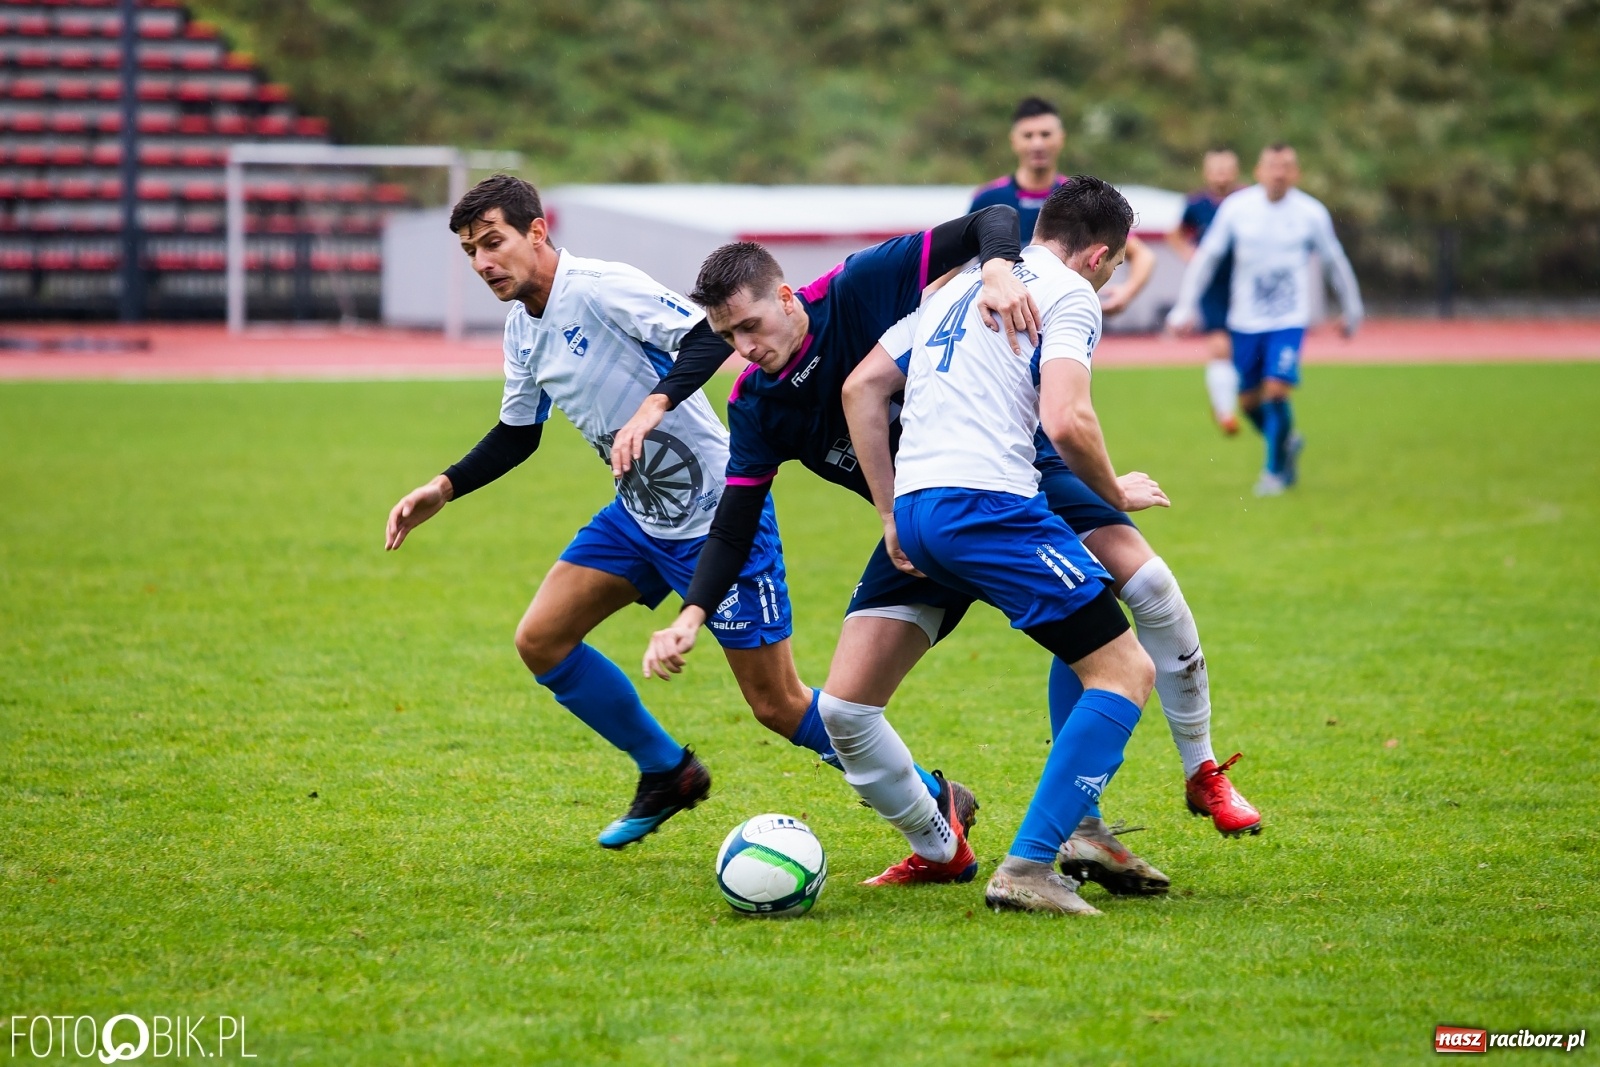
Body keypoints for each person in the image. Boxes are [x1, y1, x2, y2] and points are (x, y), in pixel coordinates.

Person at [626, 213, 1176, 893]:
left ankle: (1099, 819)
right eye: (727, 337)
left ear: (789, 297)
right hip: (921, 528)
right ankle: (943, 842)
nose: (744, 347)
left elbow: (992, 222)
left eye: (750, 326)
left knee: (1136, 604)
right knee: (845, 714)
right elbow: (734, 523)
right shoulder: (758, 403)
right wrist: (692, 613)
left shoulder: (857, 287)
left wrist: (999, 268)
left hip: (1007, 482)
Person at [384, 175, 825, 851]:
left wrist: (653, 406)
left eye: (494, 242)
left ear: (537, 231)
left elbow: (707, 339)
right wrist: (443, 487)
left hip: (717, 515)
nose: (483, 264)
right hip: (637, 517)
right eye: (472, 251)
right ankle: (668, 771)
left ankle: (929, 794)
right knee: (542, 638)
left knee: (777, 705)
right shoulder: (521, 329)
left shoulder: (596, 286)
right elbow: (517, 431)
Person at [868, 176, 1163, 915]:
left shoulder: (960, 284)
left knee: (1090, 624)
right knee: (1127, 670)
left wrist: (889, 509)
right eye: (1115, 264)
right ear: (1098, 254)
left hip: (921, 504)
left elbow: (861, 386)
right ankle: (1029, 865)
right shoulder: (1072, 292)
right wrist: (1114, 493)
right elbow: (1067, 421)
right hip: (986, 501)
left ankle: (1082, 828)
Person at [1167, 144, 1364, 496]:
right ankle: (1287, 441)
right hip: (1245, 320)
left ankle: (1273, 472)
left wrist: (1352, 309)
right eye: (1272, 166)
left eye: (1286, 166)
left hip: (1288, 319)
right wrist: (1185, 306)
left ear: (1296, 173)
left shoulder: (1310, 213)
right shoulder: (1238, 209)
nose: (1279, 173)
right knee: (1248, 403)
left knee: (1276, 389)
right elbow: (1207, 258)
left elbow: (1335, 261)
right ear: (1258, 172)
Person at [969, 96, 1156, 318]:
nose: (1037, 143)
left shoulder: (1079, 197)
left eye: (1045, 134)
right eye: (1028, 135)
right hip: (999, 322)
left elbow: (1143, 254)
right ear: (1014, 141)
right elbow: (951, 260)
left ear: (1061, 138)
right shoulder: (989, 197)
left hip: (1061, 315)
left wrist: (1127, 292)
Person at [1168, 149, 1244, 434]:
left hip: (1244, 284)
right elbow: (1174, 233)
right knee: (1219, 345)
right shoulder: (1196, 204)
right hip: (1212, 284)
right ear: (1206, 172)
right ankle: (1225, 411)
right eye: (1216, 169)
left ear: (1236, 171)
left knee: (1243, 348)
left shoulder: (1247, 200)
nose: (1221, 175)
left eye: (1227, 168)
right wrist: (1189, 254)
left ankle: (1233, 398)